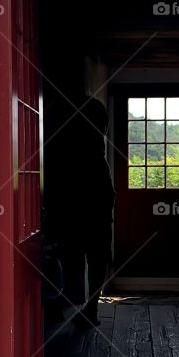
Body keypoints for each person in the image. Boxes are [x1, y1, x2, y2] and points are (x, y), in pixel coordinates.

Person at [73, 97, 115, 327]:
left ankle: (87, 307)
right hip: (96, 206)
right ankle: (90, 307)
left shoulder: (90, 153)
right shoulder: (95, 153)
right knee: (97, 256)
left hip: (90, 205)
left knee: (91, 256)